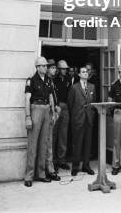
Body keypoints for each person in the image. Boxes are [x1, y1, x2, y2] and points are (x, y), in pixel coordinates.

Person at [24, 56, 54, 187]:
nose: (45, 68)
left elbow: (51, 96)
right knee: (33, 144)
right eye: (42, 66)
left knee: (44, 143)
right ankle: (29, 176)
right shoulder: (31, 80)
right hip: (35, 108)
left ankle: (41, 173)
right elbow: (27, 99)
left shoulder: (48, 80)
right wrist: (28, 117)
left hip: (47, 109)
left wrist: (52, 112)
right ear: (37, 67)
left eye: (46, 65)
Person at [67, 66, 95, 176]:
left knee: (88, 143)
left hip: (88, 119)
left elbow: (93, 103)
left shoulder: (92, 87)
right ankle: (75, 166)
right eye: (83, 72)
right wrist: (75, 116)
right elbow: (70, 103)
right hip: (78, 119)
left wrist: (91, 115)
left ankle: (86, 166)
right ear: (78, 74)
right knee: (77, 143)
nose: (86, 73)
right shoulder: (74, 88)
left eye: (87, 71)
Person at [53, 60, 71, 170]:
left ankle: (62, 160)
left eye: (65, 69)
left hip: (66, 107)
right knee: (54, 134)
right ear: (58, 69)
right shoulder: (54, 80)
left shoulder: (69, 79)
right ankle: (53, 161)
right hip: (56, 107)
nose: (64, 70)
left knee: (63, 135)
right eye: (63, 69)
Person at [45, 60, 60, 181]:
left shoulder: (51, 81)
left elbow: (54, 97)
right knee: (48, 143)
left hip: (53, 113)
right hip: (46, 113)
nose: (55, 70)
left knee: (50, 141)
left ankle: (50, 168)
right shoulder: (45, 81)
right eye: (53, 68)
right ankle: (48, 169)